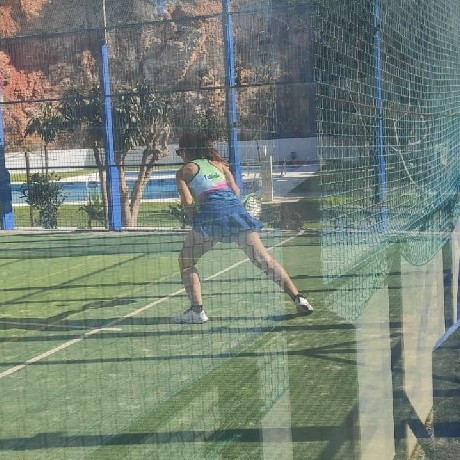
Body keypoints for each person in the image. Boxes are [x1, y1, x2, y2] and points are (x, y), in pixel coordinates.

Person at [172, 131, 313, 323]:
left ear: (186, 150)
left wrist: (191, 214)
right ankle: (298, 298)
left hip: (210, 217)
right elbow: (236, 191)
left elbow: (188, 202)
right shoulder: (219, 165)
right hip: (237, 213)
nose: (180, 155)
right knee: (264, 259)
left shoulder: (183, 172)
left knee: (185, 261)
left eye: (179, 151)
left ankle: (197, 311)